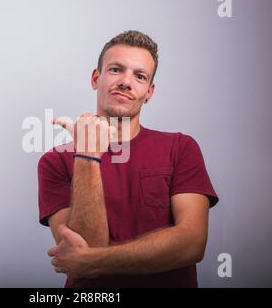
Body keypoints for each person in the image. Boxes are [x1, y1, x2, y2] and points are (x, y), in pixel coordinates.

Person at [37, 30, 219, 288]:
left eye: (140, 76)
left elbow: (192, 244)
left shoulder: (181, 148)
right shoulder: (54, 161)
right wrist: (87, 154)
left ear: (149, 92)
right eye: (115, 70)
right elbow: (85, 249)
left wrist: (96, 260)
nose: (126, 81)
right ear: (95, 78)